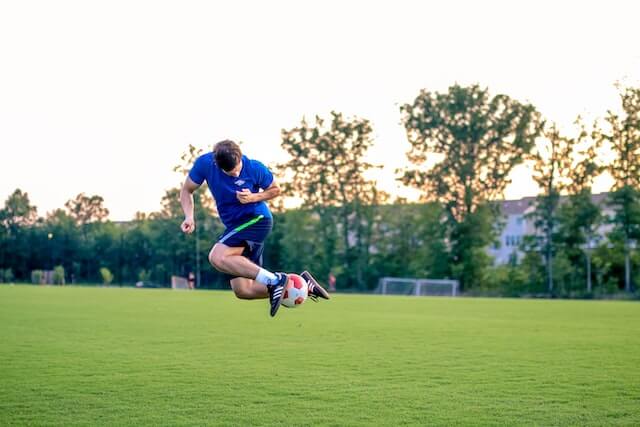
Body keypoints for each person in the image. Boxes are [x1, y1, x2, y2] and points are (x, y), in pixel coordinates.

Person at [180, 140, 329, 317]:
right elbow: (186, 190)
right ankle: (303, 285)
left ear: (240, 156)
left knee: (216, 257)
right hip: (236, 225)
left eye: (237, 168)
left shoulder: (254, 168)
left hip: (256, 219)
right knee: (244, 290)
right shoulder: (205, 164)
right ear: (217, 165)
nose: (235, 174)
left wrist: (253, 197)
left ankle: (276, 280)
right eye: (230, 172)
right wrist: (189, 216)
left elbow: (275, 189)